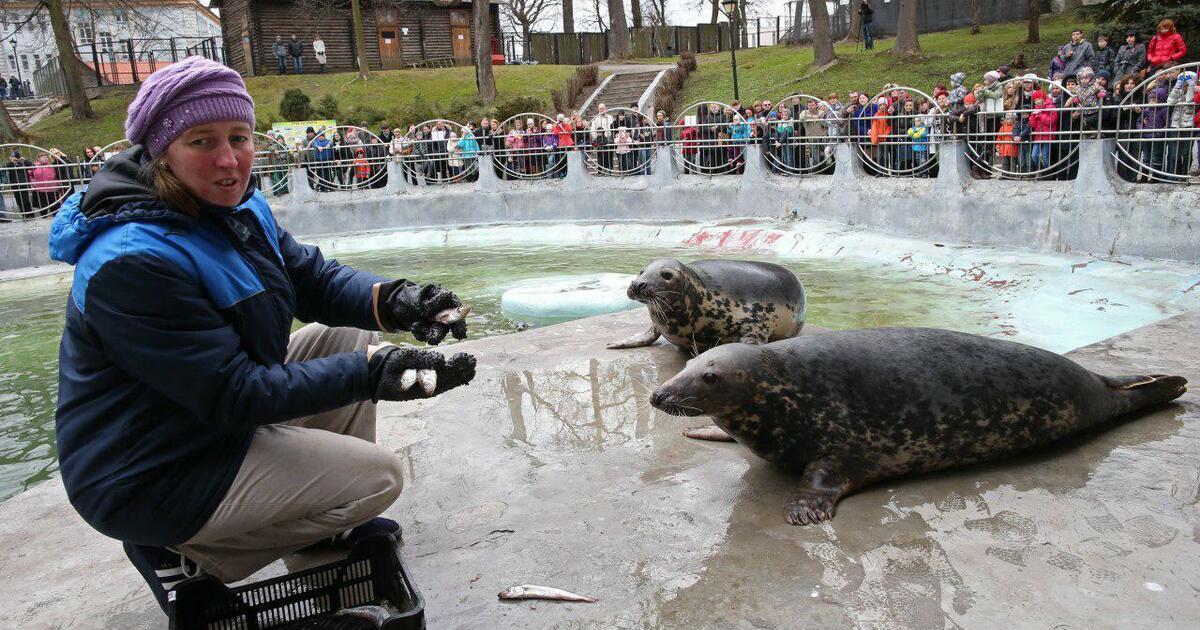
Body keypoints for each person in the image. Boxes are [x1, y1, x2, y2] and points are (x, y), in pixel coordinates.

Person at [47, 57, 476, 614]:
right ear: (162, 154)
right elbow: (235, 393)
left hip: (197, 424)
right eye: (202, 141)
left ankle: (323, 531)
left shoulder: (234, 204)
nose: (229, 161)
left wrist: (396, 300)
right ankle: (181, 552)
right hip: (146, 469)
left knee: (346, 335)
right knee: (379, 479)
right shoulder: (131, 260)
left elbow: (312, 279)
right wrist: (374, 371)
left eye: (239, 137)